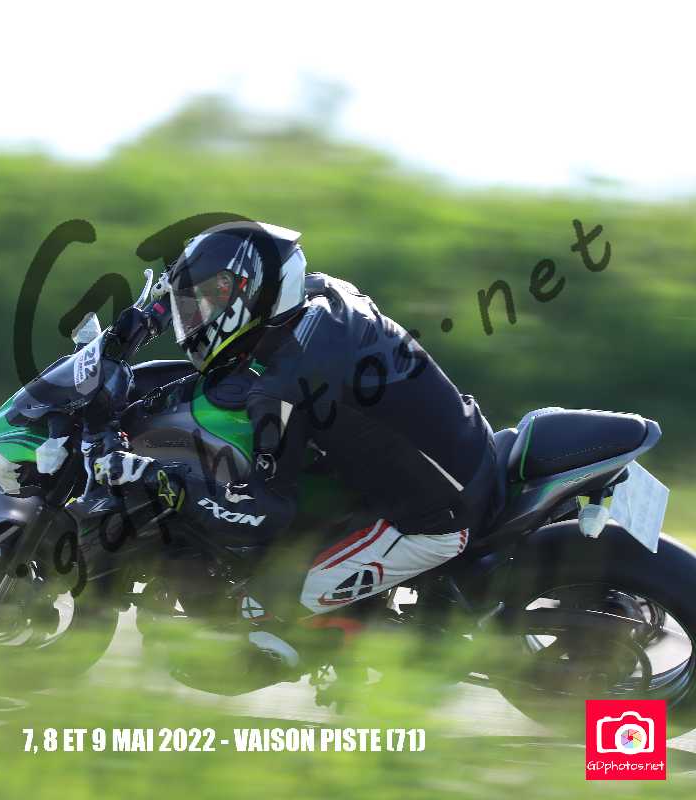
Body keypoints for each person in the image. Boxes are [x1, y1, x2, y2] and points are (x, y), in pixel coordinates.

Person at [93, 220, 503, 671]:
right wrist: (149, 318)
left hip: (438, 518)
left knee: (259, 611)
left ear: (250, 294)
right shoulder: (321, 295)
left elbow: (266, 513)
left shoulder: (284, 387)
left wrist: (166, 483)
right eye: (193, 303)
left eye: (207, 301)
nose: (196, 317)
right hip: (456, 447)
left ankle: (347, 656)